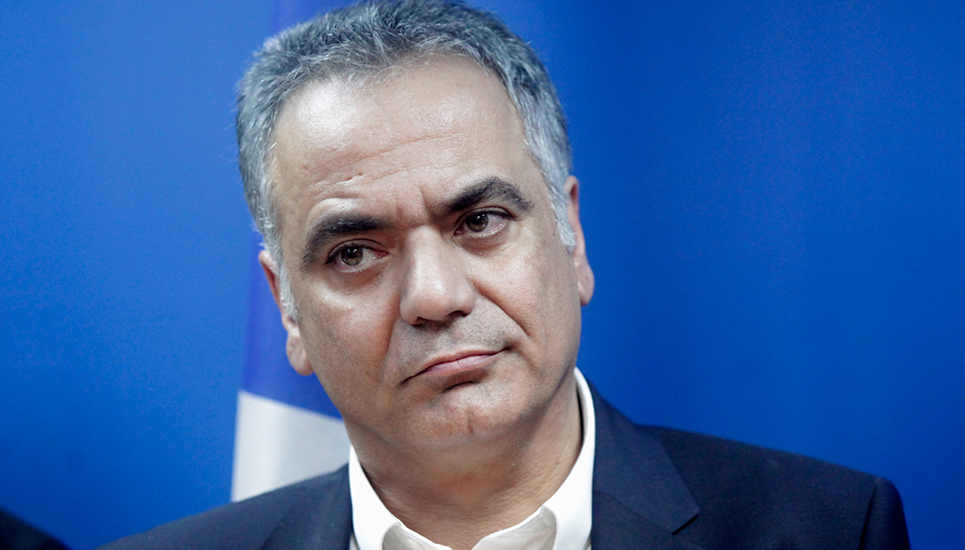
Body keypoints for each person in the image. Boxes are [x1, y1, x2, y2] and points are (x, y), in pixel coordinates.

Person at [102, 0, 910, 548]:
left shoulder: (829, 528)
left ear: (572, 239)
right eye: (355, 253)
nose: (435, 296)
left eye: (480, 222)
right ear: (288, 312)